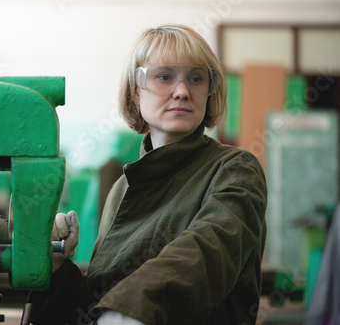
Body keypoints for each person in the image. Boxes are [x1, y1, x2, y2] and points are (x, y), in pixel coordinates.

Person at [27, 23, 267, 325]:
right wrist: (57, 266)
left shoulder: (234, 168)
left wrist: (130, 311)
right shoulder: (121, 188)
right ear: (135, 94)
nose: (182, 91)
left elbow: (207, 251)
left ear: (210, 91)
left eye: (196, 78)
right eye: (164, 77)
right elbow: (96, 303)